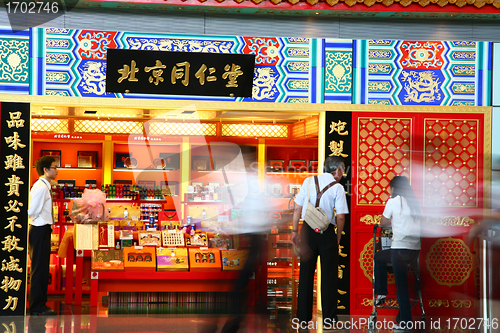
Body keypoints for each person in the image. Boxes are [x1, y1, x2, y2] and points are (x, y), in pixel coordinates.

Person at [291, 156, 349, 331]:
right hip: (326, 233)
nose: (343, 173)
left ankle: (302, 318)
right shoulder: (337, 187)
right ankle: (329, 319)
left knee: (306, 274)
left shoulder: (308, 181)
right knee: (329, 276)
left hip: (307, 231)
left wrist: (294, 231)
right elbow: (340, 216)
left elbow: (297, 208)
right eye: (343, 169)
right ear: (337, 170)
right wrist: (338, 236)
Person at [374, 176, 421, 332]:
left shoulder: (393, 201)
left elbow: (384, 222)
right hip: (414, 251)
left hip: (399, 249)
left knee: (401, 286)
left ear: (393, 188)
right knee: (382, 259)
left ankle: (382, 294)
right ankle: (401, 319)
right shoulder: (415, 202)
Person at [27, 156, 58, 316]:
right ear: (45, 170)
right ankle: (37, 306)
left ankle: (40, 304)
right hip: (39, 229)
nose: (56, 170)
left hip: (42, 229)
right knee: (39, 269)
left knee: (42, 268)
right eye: (54, 167)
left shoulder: (45, 186)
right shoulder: (40, 188)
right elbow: (32, 211)